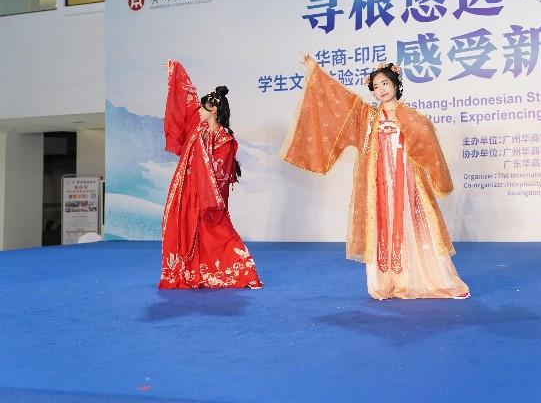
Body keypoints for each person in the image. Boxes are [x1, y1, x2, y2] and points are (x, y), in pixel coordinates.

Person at [283, 56, 469, 300]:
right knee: (382, 223)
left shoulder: (412, 117)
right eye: (376, 86)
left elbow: (426, 136)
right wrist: (315, 70)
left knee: (412, 223)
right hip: (379, 182)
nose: (381, 89)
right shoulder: (368, 116)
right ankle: (385, 283)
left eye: (385, 83)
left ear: (396, 85)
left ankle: (427, 279)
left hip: (406, 181)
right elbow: (340, 98)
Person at [159, 60, 262, 289]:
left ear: (213, 110)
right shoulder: (198, 128)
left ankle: (244, 272)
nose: (198, 111)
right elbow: (185, 103)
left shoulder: (225, 139)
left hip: (209, 195)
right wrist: (176, 71)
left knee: (218, 232)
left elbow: (220, 172)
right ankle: (195, 272)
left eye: (203, 108)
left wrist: (205, 187)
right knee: (192, 232)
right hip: (189, 191)